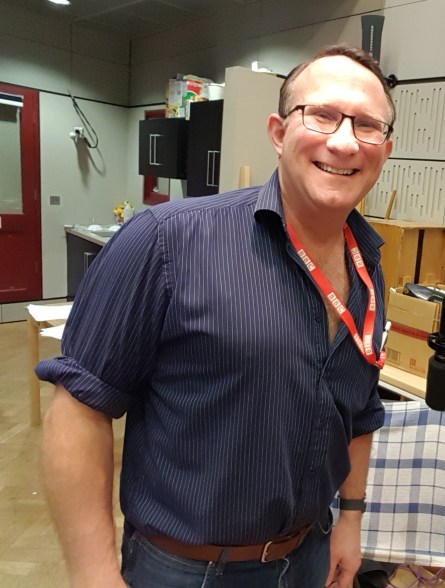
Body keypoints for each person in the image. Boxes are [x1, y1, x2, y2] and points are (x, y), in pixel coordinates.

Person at [37, 44, 395, 588]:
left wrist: (350, 518)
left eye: (367, 125)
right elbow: (80, 409)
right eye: (322, 115)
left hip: (310, 556)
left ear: (384, 150)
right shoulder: (165, 241)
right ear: (278, 132)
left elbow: (359, 411)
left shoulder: (367, 267)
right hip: (186, 569)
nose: (344, 141)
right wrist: (94, 577)